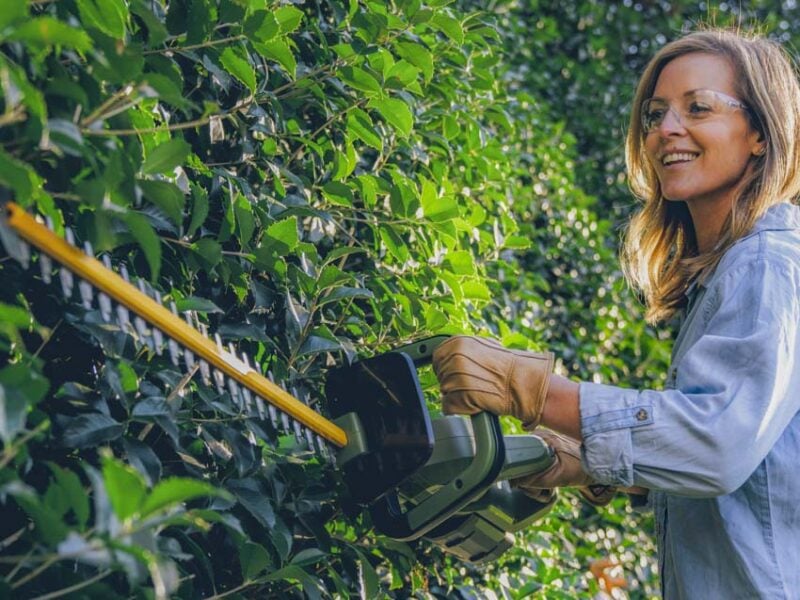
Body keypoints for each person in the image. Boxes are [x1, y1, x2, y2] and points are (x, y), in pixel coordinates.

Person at [432, 28, 800, 599]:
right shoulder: (737, 269)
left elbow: (717, 445)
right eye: (655, 114)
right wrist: (589, 462)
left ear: (760, 133)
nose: (666, 129)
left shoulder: (766, 265)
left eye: (698, 107)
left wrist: (530, 389)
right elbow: (761, 473)